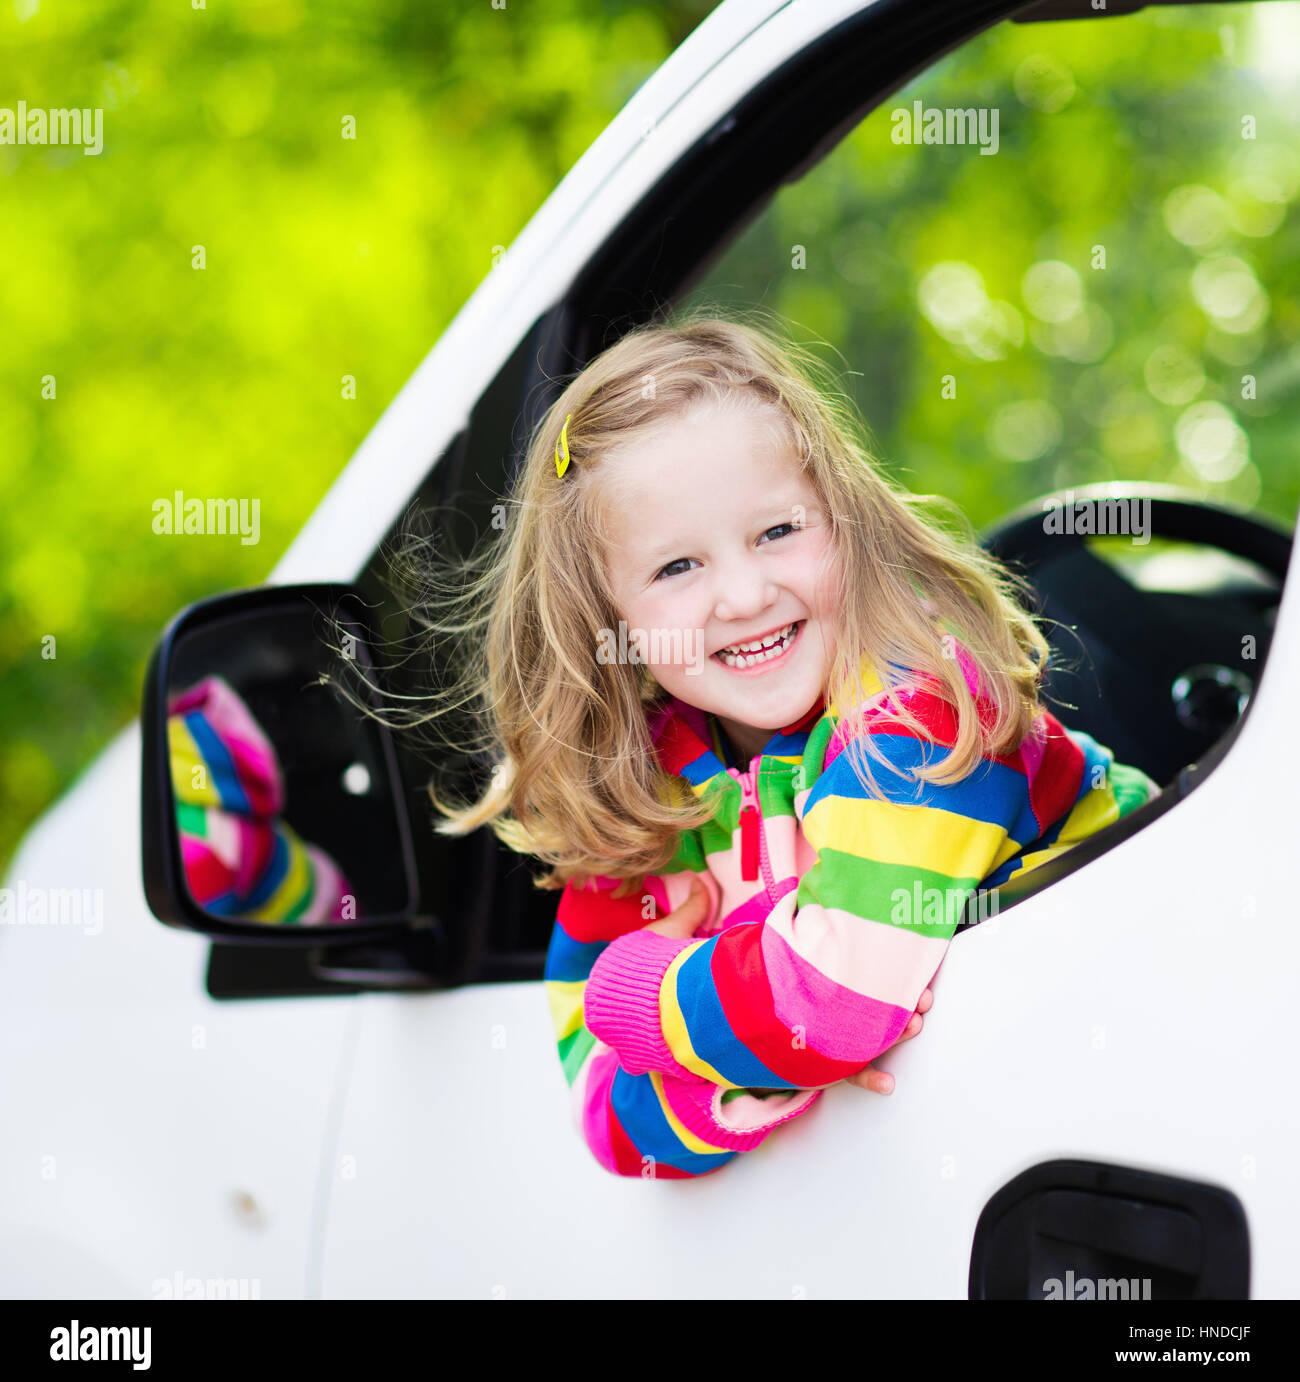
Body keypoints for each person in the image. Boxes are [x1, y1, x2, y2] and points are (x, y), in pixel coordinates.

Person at [409, 310, 1161, 1180]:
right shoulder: (641, 812)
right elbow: (602, 1116)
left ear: (847, 521)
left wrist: (651, 995)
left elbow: (831, 1010)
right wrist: (750, 1058)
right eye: (676, 568)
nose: (742, 594)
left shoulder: (927, 716)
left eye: (777, 532)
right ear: (605, 619)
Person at [168, 675, 357, 924]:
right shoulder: (207, 746)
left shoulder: (192, 822)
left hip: (302, 927)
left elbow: (210, 891)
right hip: (322, 884)